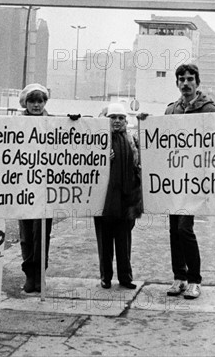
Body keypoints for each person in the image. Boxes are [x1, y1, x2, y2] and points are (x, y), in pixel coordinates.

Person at [165, 63, 215, 299]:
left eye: (190, 79)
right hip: (174, 181)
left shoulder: (209, 109)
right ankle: (179, 277)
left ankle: (195, 279)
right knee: (173, 230)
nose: (185, 83)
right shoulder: (171, 110)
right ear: (177, 83)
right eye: (181, 79)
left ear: (197, 82)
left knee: (185, 229)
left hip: (195, 181)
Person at [94, 102, 142, 289]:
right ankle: (105, 277)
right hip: (104, 200)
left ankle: (125, 277)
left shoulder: (132, 140)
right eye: (112, 117)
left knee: (124, 241)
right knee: (105, 241)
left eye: (121, 118)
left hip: (126, 199)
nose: (117, 121)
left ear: (125, 121)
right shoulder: (98, 140)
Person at [18, 83, 53, 293]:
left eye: (40, 101)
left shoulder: (53, 123)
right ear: (26, 103)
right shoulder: (17, 123)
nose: (37, 105)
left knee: (42, 234)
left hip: (45, 189)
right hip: (22, 187)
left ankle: (41, 274)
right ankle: (29, 274)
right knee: (26, 234)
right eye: (33, 101)